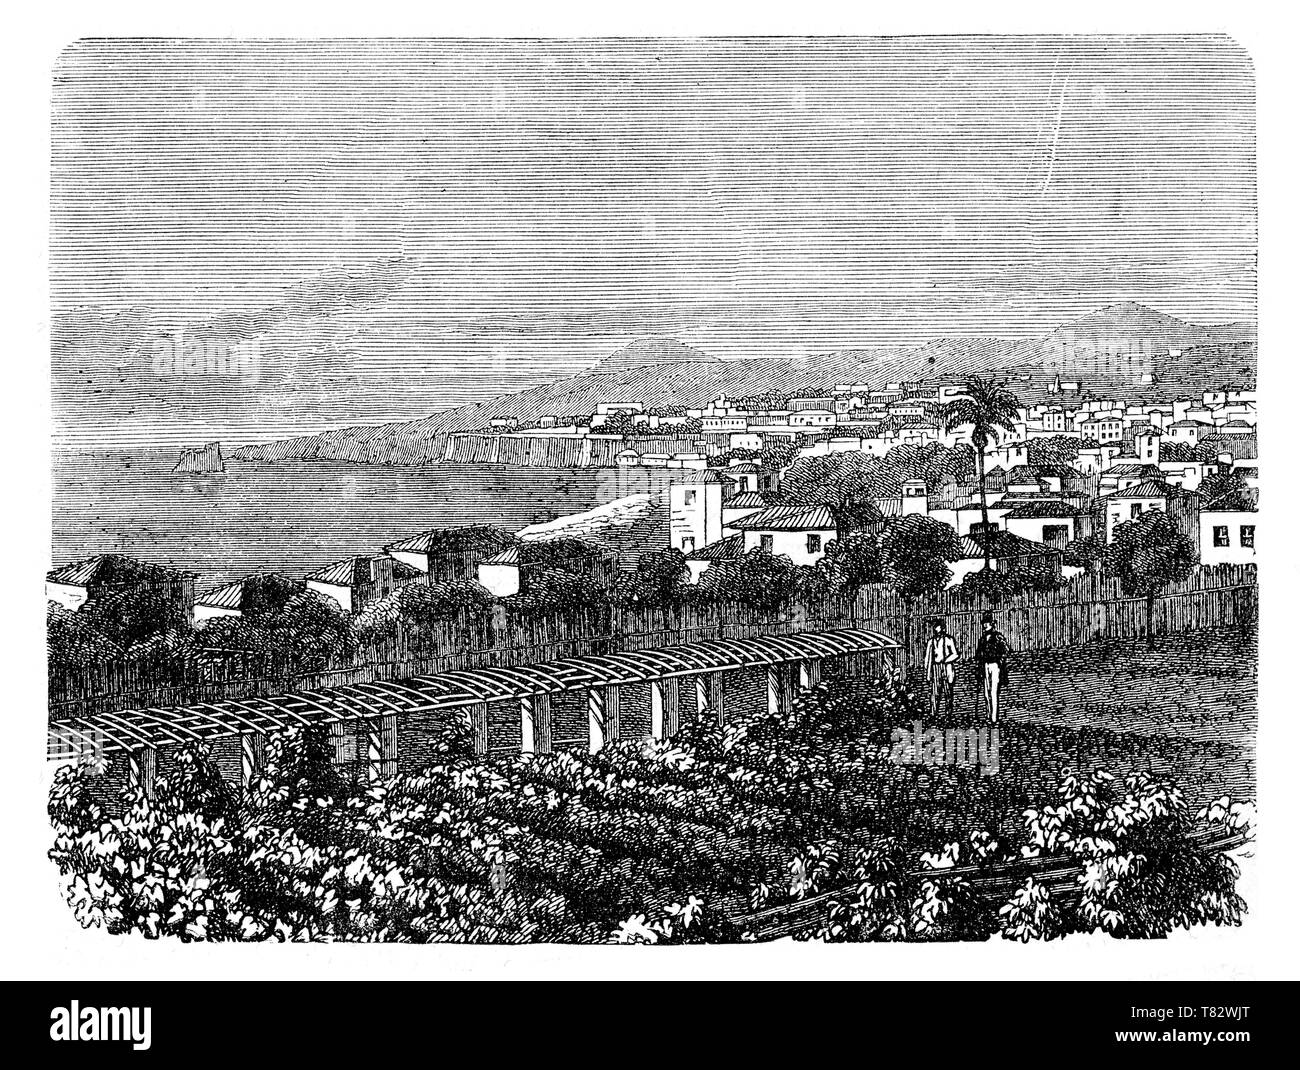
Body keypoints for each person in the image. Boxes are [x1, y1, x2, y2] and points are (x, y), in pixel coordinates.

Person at [974, 610, 1010, 723]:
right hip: (985, 665)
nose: (985, 625)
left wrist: (999, 662)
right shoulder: (983, 639)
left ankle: (994, 717)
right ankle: (988, 714)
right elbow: (979, 653)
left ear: (992, 624)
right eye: (984, 623)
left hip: (995, 666)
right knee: (986, 692)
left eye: (987, 623)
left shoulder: (998, 637)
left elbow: (1005, 651)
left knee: (993, 692)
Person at [922, 618, 959, 719]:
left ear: (942, 627)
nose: (936, 628)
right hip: (936, 667)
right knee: (935, 691)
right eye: (934, 627)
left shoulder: (948, 639)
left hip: (946, 667)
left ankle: (948, 714)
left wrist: (946, 660)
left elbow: (955, 654)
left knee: (948, 691)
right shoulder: (931, 642)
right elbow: (928, 658)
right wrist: (928, 672)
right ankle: (933, 713)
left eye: (937, 626)